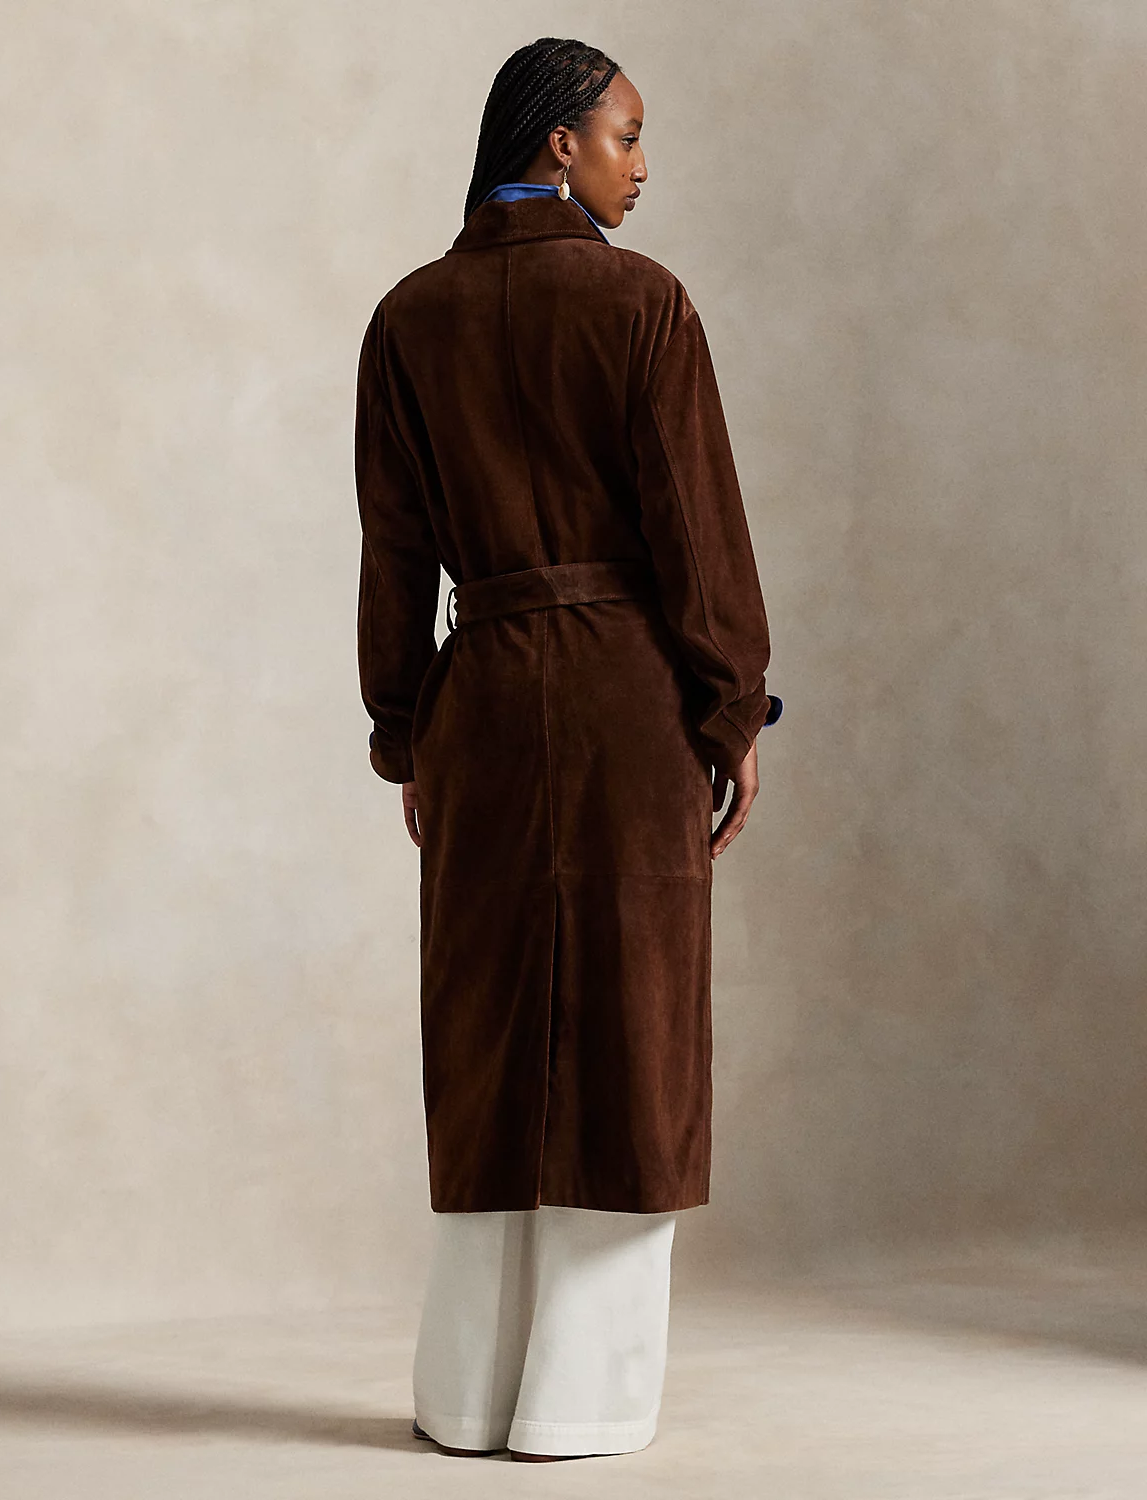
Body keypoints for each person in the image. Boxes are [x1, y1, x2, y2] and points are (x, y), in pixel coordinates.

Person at [354, 36, 782, 1463]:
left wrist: (407, 729)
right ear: (558, 143)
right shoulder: (641, 303)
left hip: (477, 703)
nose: (640, 165)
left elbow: (394, 556)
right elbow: (697, 532)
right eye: (626, 135)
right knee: (629, 1031)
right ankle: (581, 1402)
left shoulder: (408, 319)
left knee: (487, 1034)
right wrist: (732, 706)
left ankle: (466, 1395)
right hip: (621, 704)